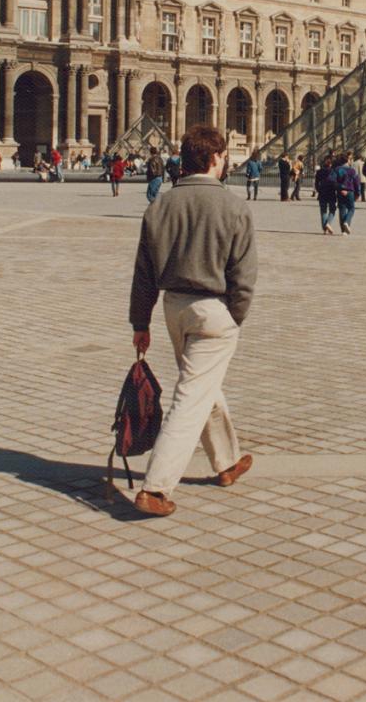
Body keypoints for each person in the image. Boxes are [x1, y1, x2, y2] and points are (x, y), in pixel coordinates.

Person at [127, 124, 257, 518]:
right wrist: (234, 316)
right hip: (214, 310)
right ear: (216, 158)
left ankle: (227, 462)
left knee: (200, 383)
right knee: (191, 397)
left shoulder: (160, 206)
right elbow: (244, 277)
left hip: (174, 308)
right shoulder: (234, 207)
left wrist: (140, 322)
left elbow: (143, 273)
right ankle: (155, 487)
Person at [333, 151, 362, 235]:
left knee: (342, 209)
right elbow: (356, 182)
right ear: (347, 161)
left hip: (340, 192)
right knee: (351, 208)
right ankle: (347, 222)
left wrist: (340, 188)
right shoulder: (352, 171)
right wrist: (358, 193)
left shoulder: (337, 170)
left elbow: (333, 181)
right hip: (350, 191)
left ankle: (343, 231)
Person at [315, 152, 338, 235]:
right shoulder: (334, 171)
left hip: (322, 192)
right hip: (331, 192)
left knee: (323, 210)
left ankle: (324, 229)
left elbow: (316, 183)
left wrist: (319, 190)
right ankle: (328, 223)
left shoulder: (319, 171)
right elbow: (336, 182)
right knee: (332, 209)